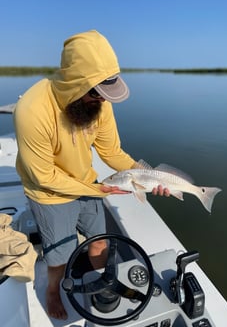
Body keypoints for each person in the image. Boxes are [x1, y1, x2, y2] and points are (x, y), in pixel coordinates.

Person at [14, 30, 169, 320]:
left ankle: (100, 284)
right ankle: (52, 290)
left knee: (100, 240)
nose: (101, 101)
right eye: (96, 92)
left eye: (105, 94)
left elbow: (112, 152)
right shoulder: (31, 111)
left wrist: (149, 176)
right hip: (48, 193)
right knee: (60, 254)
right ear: (76, 84)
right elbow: (44, 177)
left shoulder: (100, 103)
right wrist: (99, 190)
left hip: (87, 183)